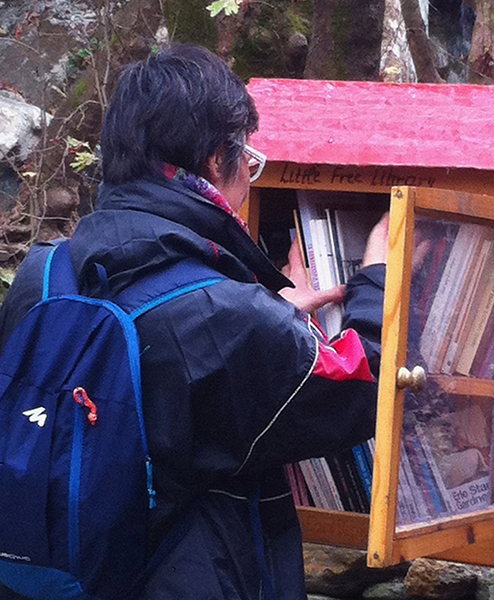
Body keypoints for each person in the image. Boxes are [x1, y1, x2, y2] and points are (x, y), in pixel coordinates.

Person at [0, 44, 388, 600]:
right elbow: (366, 387)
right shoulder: (227, 318)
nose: (250, 182)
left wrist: (272, 318)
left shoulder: (43, 272)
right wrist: (376, 275)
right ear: (213, 161)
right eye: (249, 162)